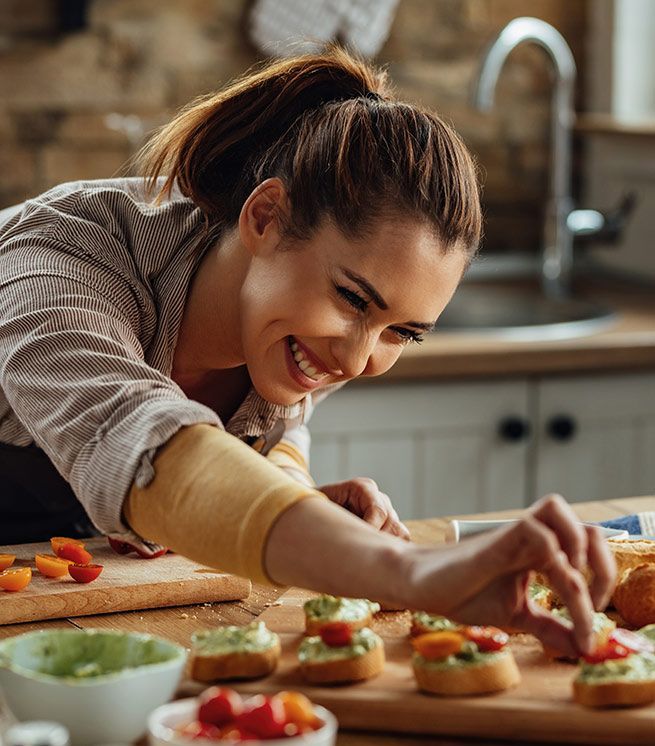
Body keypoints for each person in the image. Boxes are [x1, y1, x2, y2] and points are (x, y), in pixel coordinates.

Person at [0, 49, 614, 657]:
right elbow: (130, 435)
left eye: (403, 332)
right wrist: (407, 571)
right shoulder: (61, 257)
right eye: (353, 299)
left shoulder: (291, 324)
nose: (353, 361)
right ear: (265, 218)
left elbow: (281, 432)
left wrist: (293, 494)